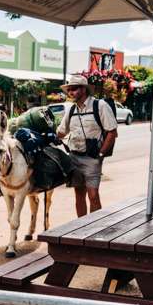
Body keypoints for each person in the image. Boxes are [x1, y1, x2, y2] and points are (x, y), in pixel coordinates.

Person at [57, 75, 118, 217]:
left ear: (83, 89)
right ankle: (81, 228)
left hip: (92, 158)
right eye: (69, 90)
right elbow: (61, 132)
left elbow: (112, 132)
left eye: (74, 89)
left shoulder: (100, 106)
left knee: (93, 195)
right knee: (79, 195)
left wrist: (101, 154)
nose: (70, 92)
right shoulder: (71, 110)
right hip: (74, 157)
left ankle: (95, 229)